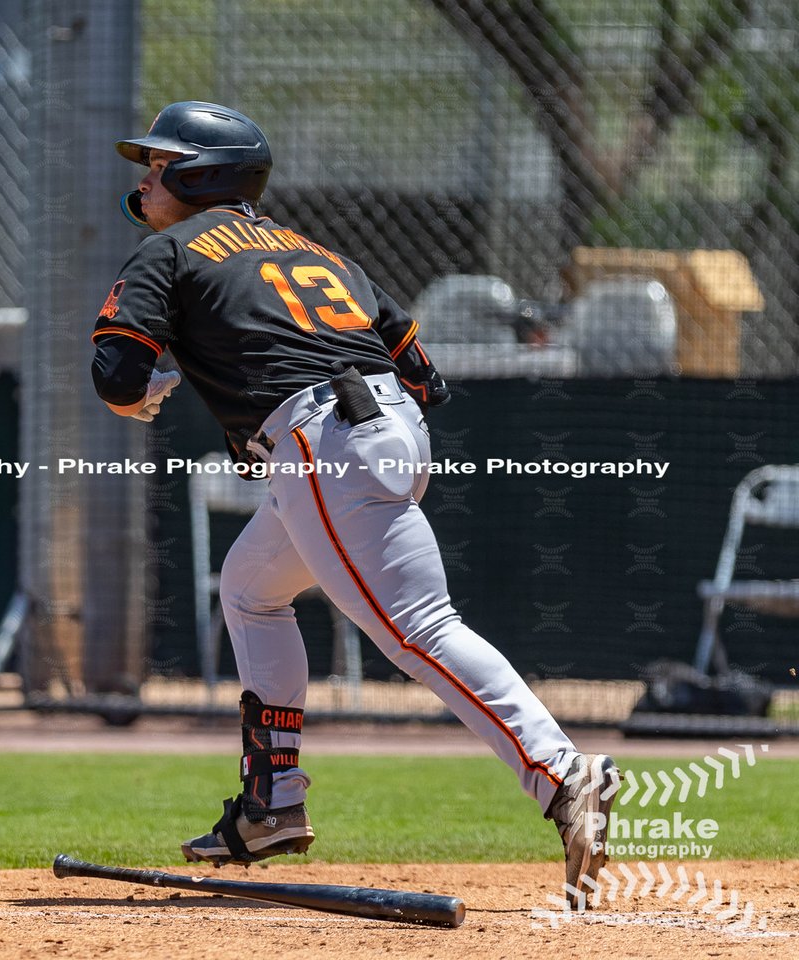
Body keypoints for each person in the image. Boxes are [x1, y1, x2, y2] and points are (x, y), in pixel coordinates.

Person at [90, 101, 620, 908]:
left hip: (321, 444)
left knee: (421, 632)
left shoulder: (169, 249)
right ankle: (271, 804)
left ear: (202, 174)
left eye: (160, 163)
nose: (145, 176)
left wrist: (140, 395)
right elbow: (424, 375)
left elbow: (117, 376)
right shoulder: (319, 252)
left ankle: (562, 774)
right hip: (381, 434)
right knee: (252, 588)